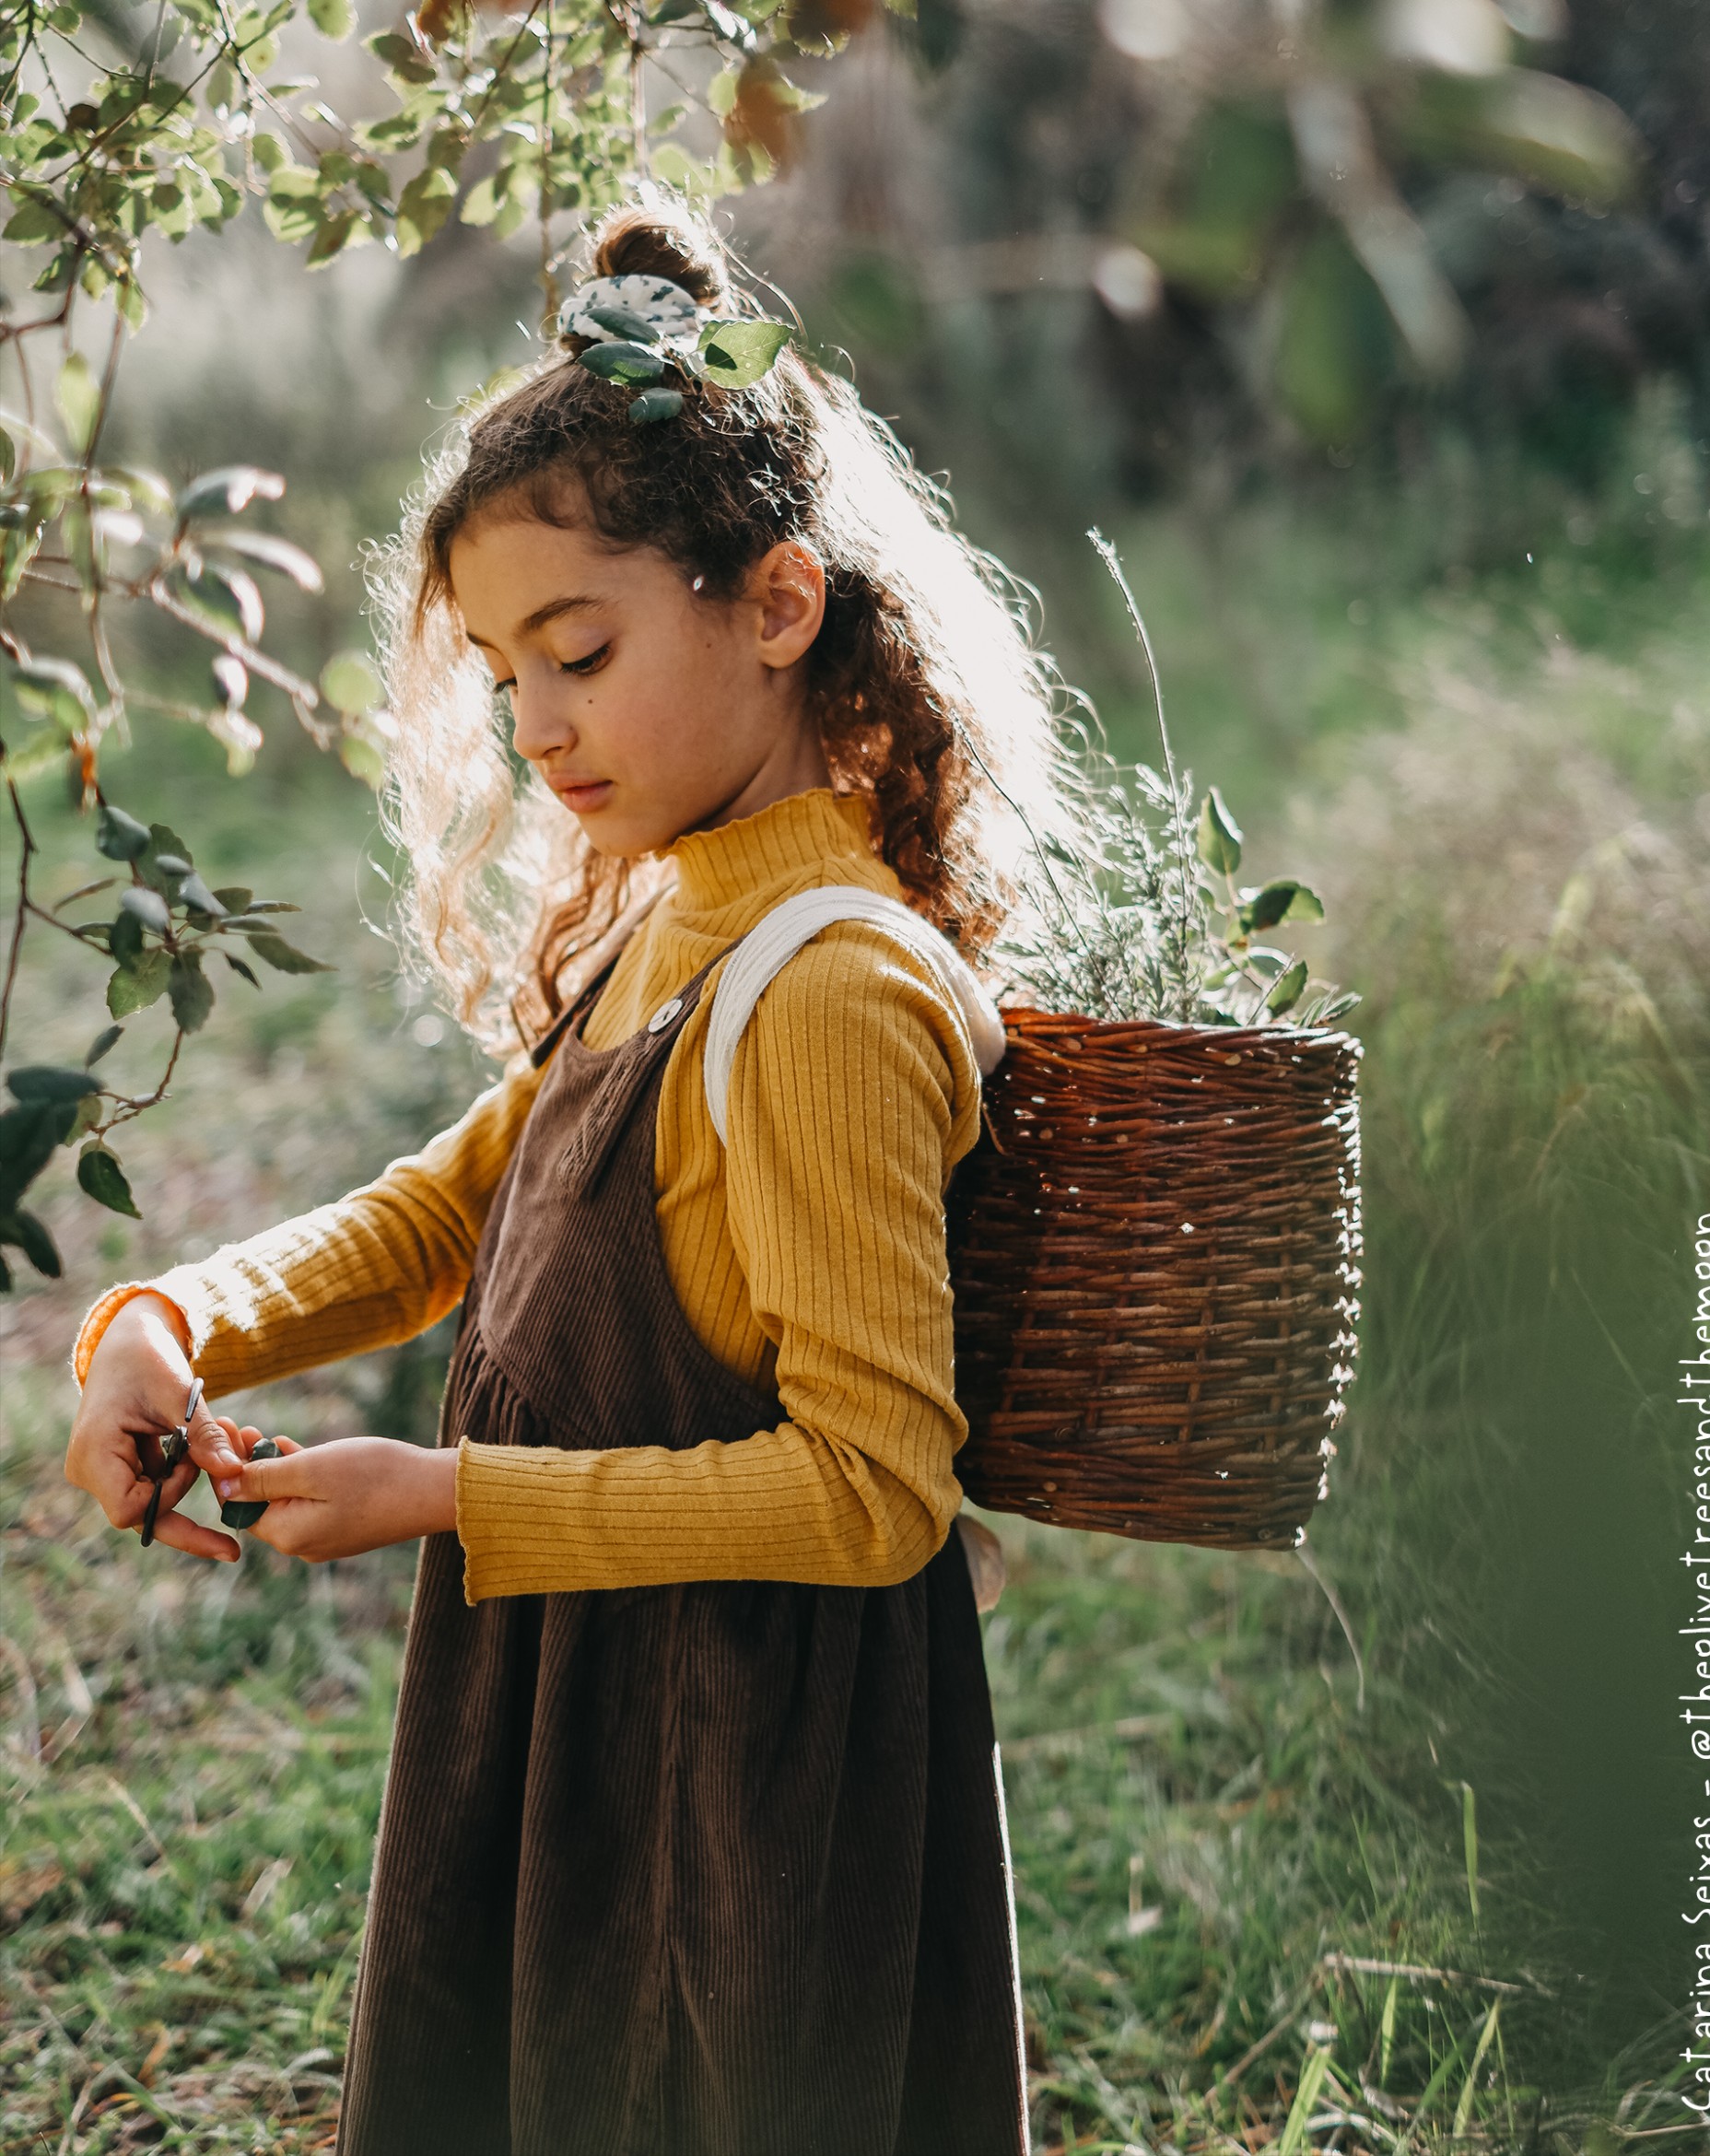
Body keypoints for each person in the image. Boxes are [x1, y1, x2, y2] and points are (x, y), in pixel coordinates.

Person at [64, 195, 1077, 2156]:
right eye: (505, 674)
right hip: (581, 1732)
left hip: (746, 1791)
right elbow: (451, 1207)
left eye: (582, 654)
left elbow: (875, 1494)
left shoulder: (833, 990)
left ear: (780, 607)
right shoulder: (672, 917)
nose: (538, 729)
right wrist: (170, 1318)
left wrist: (448, 1494)